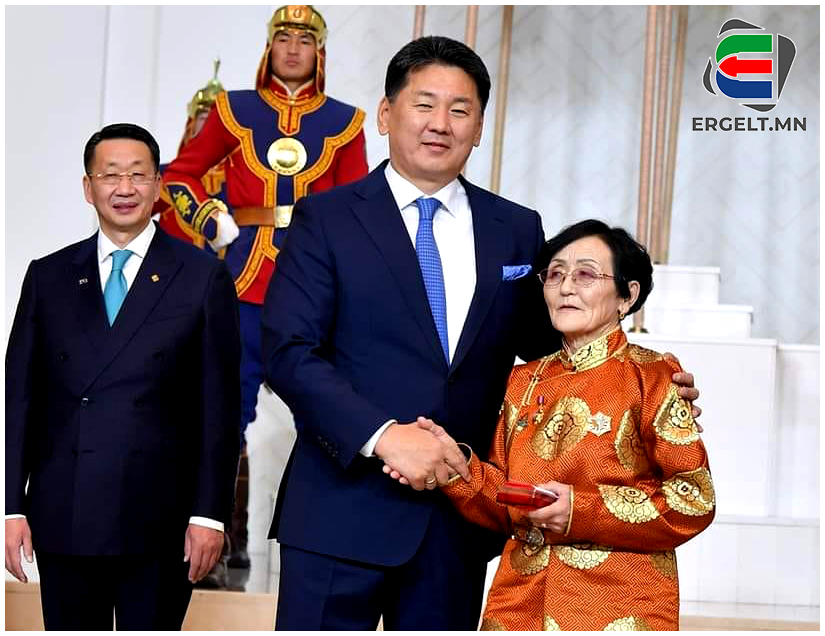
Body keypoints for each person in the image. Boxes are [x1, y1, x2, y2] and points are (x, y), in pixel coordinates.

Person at [261, 36, 701, 630]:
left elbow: (554, 353)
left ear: (479, 127)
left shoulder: (515, 228)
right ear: (386, 114)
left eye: (460, 109)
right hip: (339, 512)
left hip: (457, 523)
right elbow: (289, 353)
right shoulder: (326, 217)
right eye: (424, 104)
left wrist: (643, 383)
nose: (440, 123)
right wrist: (384, 437)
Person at [422, 219, 715, 630]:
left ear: (627, 295)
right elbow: (504, 501)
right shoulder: (521, 382)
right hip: (519, 602)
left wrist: (581, 511)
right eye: (555, 274)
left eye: (586, 275)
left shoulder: (653, 377)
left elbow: (694, 499)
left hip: (618, 602)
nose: (565, 288)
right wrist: (454, 465)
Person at [4, 123, 241, 630]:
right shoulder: (48, 276)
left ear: (159, 186)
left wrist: (209, 515)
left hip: (162, 520)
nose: (124, 188)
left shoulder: (202, 277)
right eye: (110, 175)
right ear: (88, 187)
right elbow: (19, 400)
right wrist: (11, 507)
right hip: (65, 512)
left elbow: (220, 409)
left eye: (138, 174)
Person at [163, 4, 368, 570]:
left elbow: (357, 209)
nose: (293, 48)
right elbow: (178, 174)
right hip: (242, 283)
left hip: (314, 289)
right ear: (269, 46)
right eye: (284, 37)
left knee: (324, 414)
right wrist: (209, 217)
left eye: (305, 39)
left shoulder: (346, 121)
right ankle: (211, 532)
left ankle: (324, 539)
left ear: (319, 51)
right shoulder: (234, 109)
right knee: (223, 410)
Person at [155, 60, 227, 250]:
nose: (209, 125)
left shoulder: (240, 179)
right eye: (203, 117)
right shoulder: (164, 175)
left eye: (215, 119)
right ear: (191, 124)